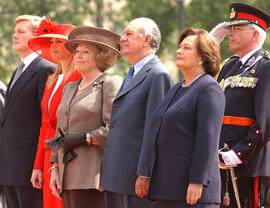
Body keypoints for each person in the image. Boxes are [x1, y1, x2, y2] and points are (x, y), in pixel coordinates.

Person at [136, 27, 225, 208]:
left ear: (202, 57)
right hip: (167, 188)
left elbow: (207, 140)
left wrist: (197, 181)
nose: (179, 50)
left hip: (193, 192)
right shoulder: (177, 88)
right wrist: (145, 173)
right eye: (180, 47)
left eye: (186, 48)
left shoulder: (209, 89)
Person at [46, 25, 122, 208]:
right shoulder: (69, 87)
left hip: (92, 176)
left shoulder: (109, 83)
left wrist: (85, 138)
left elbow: (114, 128)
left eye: (85, 52)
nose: (78, 55)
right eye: (77, 51)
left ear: (101, 56)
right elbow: (60, 131)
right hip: (66, 174)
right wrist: (54, 168)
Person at [101, 17, 174, 208]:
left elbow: (156, 130)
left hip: (135, 178)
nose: (122, 39)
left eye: (129, 34)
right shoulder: (133, 73)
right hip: (116, 175)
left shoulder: (158, 75)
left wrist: (145, 173)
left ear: (146, 39)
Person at [211, 3, 270, 207]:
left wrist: (239, 152)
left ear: (255, 35)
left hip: (249, 162)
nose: (230, 33)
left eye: (237, 28)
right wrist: (209, 44)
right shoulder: (229, 66)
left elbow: (265, 119)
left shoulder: (265, 67)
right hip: (221, 158)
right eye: (230, 28)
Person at [0, 15, 55, 208]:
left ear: (36, 37)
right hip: (9, 164)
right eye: (14, 32)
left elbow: (46, 120)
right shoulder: (19, 69)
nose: (14, 36)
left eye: (21, 32)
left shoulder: (45, 68)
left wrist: (39, 165)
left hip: (29, 166)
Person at [28, 18, 81, 208]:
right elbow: (44, 124)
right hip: (48, 152)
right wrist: (37, 165)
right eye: (51, 42)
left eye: (59, 41)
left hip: (67, 152)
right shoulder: (51, 79)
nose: (53, 46)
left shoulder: (80, 77)